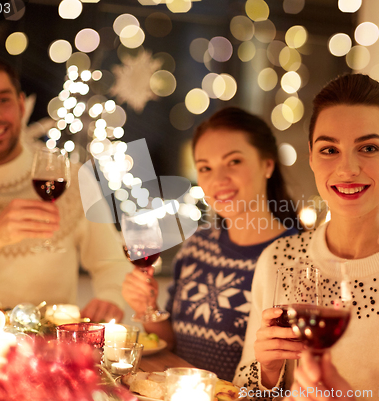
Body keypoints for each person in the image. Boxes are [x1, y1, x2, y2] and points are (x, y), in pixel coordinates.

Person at [234, 74, 379, 401]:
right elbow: (243, 394)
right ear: (312, 157)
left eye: (368, 148)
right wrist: (269, 375)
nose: (347, 169)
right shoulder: (279, 259)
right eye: (330, 149)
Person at [122, 107, 299, 380]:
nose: (218, 180)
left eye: (234, 161)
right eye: (205, 167)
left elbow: (288, 378)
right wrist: (146, 307)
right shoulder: (198, 245)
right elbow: (172, 344)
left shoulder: (296, 256)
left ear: (268, 164)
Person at [0, 54, 130, 322]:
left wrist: (111, 297)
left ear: (21, 105)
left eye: (3, 100)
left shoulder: (73, 177)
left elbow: (112, 263)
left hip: (51, 355)